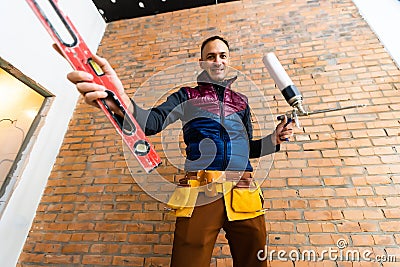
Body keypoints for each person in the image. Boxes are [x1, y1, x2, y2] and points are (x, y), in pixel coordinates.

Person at [65, 36, 294, 267]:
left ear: (229, 60)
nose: (218, 61)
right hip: (201, 191)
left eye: (223, 56)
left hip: (243, 190)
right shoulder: (186, 96)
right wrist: (120, 101)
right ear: (202, 62)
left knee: (254, 261)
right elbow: (151, 122)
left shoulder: (242, 102)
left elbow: (247, 149)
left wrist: (273, 138)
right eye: (211, 56)